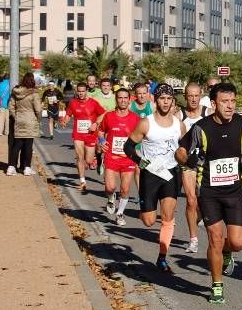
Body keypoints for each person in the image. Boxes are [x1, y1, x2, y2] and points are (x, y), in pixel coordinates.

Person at [175, 83, 242, 303]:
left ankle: (228, 253)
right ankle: (217, 285)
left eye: (233, 101)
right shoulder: (201, 128)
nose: (230, 106)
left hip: (235, 191)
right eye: (225, 102)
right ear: (213, 104)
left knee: (238, 242)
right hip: (209, 192)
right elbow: (179, 151)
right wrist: (188, 160)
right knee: (215, 238)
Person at [124, 84, 186, 273]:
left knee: (168, 216)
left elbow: (185, 150)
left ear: (173, 101)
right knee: (149, 221)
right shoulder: (146, 123)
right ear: (155, 100)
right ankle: (145, 208)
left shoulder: (179, 125)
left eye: (169, 99)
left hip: (171, 174)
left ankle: (162, 257)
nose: (165, 102)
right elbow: (128, 147)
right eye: (162, 98)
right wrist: (141, 163)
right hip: (150, 175)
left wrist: (187, 163)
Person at [97, 88, 140, 226]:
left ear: (129, 100)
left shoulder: (135, 118)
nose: (123, 100)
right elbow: (101, 132)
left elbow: (141, 136)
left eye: (125, 98)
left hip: (128, 159)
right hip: (111, 157)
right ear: (116, 99)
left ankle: (120, 213)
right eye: (120, 98)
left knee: (125, 189)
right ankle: (111, 197)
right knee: (110, 187)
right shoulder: (109, 116)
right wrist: (102, 142)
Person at [178, 83, 209, 253]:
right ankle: (193, 239)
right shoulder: (179, 115)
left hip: (206, 163)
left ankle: (199, 216)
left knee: (203, 200)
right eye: (190, 96)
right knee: (191, 200)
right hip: (188, 163)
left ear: (201, 95)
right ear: (185, 96)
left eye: (196, 95)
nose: (193, 99)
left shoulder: (208, 113)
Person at [62, 82, 106, 191]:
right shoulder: (73, 103)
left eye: (83, 91)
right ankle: (82, 180)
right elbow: (68, 114)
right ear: (76, 91)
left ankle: (96, 159)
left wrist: (95, 124)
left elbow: (103, 113)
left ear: (86, 91)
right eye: (79, 91)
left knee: (89, 160)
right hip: (78, 134)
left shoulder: (93, 103)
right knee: (79, 157)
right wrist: (65, 121)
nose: (81, 93)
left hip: (90, 134)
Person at [7, 73, 42, 176]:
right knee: (28, 145)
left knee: (17, 145)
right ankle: (27, 168)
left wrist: (15, 116)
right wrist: (38, 119)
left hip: (19, 120)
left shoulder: (16, 92)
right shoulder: (34, 94)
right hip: (30, 120)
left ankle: (11, 167)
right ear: (32, 81)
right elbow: (38, 109)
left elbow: (11, 106)